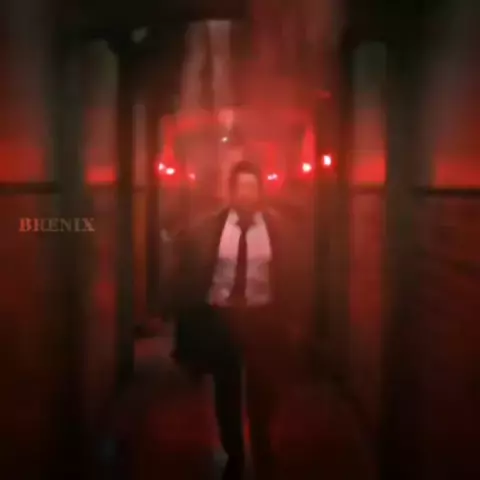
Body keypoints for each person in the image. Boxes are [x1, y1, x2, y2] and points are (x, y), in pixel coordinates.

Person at [171, 157, 304, 479]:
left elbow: (293, 275)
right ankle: (233, 449)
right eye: (241, 187)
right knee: (226, 388)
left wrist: (292, 319)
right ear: (231, 191)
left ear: (260, 191)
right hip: (223, 318)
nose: (246, 193)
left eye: (252, 187)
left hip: (263, 318)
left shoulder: (278, 229)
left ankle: (261, 440)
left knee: (264, 387)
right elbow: (191, 275)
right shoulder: (210, 228)